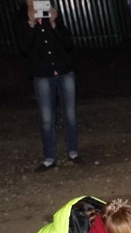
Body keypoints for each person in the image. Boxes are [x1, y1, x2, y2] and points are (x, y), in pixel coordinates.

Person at [17, 0, 81, 173]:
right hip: (42, 75)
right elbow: (23, 47)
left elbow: (68, 43)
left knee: (70, 115)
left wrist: (54, 24)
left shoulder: (52, 14)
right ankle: (49, 159)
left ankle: (73, 152)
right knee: (46, 119)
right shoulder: (21, 19)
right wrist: (31, 24)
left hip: (65, 72)